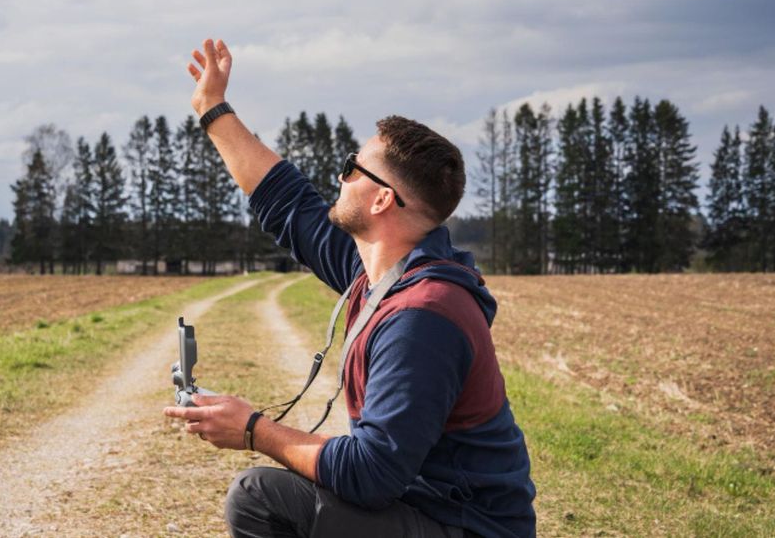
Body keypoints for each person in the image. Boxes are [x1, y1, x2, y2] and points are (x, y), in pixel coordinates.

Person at [163, 39, 536, 538]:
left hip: (465, 527)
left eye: (350, 168)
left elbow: (369, 476)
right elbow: (287, 202)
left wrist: (253, 430)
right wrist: (212, 108)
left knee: (258, 498)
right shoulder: (385, 276)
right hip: (429, 509)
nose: (338, 178)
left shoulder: (423, 315)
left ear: (383, 199)